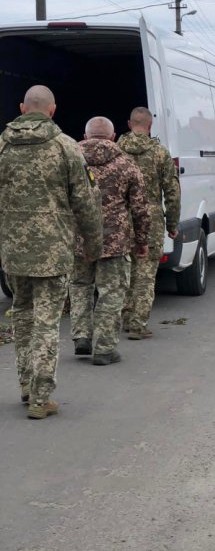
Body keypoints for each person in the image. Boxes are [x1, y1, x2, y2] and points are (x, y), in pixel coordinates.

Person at [0, 86, 103, 419]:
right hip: (53, 250)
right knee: (46, 322)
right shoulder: (65, 147)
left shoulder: (2, 145)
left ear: (21, 108)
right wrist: (93, 243)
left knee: (24, 316)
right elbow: (85, 203)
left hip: (14, 251)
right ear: (53, 110)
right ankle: (41, 398)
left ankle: (26, 386)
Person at [69, 117, 150, 366]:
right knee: (111, 293)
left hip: (77, 239)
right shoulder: (126, 164)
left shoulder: (70, 160)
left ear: (85, 136)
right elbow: (140, 207)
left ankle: (82, 335)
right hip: (113, 241)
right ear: (113, 137)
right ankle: (104, 349)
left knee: (80, 286)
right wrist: (142, 240)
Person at [118, 107, 181, 339]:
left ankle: (124, 317)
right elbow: (172, 192)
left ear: (128, 123)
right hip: (151, 219)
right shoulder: (160, 153)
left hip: (121, 220)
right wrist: (172, 224)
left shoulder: (116, 151)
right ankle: (138, 324)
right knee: (145, 274)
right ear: (150, 126)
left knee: (124, 271)